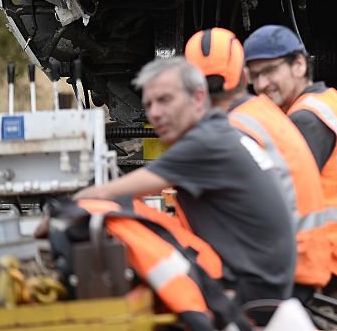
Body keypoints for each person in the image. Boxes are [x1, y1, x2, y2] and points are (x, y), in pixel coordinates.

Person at [73, 57, 296, 318]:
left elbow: (108, 193)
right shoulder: (218, 131)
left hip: (249, 294)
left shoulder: (203, 144)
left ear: (198, 97)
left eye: (165, 100)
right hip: (269, 282)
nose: (154, 113)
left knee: (118, 219)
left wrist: (58, 214)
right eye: (149, 104)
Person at [185, 27, 332, 301]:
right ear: (243, 76)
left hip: (285, 273)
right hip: (307, 262)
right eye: (257, 75)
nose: (262, 84)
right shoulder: (264, 113)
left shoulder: (233, 128)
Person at [243, 25, 337, 290]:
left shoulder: (307, 119)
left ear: (299, 65)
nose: (261, 85)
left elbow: (274, 197)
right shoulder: (327, 102)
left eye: (269, 71)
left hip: (322, 262)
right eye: (254, 76)